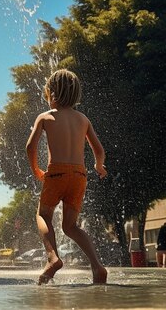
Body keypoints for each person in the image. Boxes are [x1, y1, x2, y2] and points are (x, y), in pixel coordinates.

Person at [25, 69, 108, 285]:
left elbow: (30, 147)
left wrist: (35, 169)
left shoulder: (46, 117)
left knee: (43, 215)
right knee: (70, 227)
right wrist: (99, 166)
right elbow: (99, 150)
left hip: (57, 172)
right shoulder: (83, 119)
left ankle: (52, 258)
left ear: (52, 93)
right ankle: (97, 266)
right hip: (79, 175)